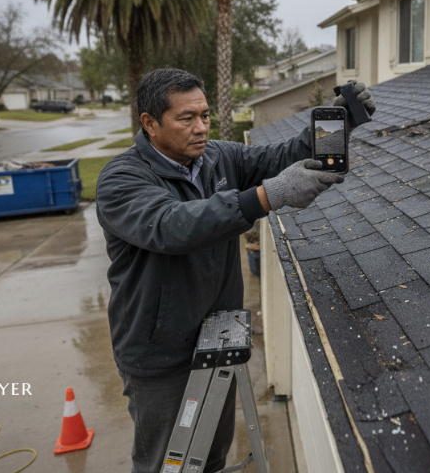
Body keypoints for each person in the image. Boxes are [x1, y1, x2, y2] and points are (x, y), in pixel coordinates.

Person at [95, 69, 375, 473]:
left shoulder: (219, 157)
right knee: (166, 464)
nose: (201, 127)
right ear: (150, 123)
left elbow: (280, 157)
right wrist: (267, 195)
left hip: (215, 339)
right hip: (160, 354)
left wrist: (336, 125)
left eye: (205, 115)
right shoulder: (122, 179)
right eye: (186, 118)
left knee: (209, 455)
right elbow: (172, 226)